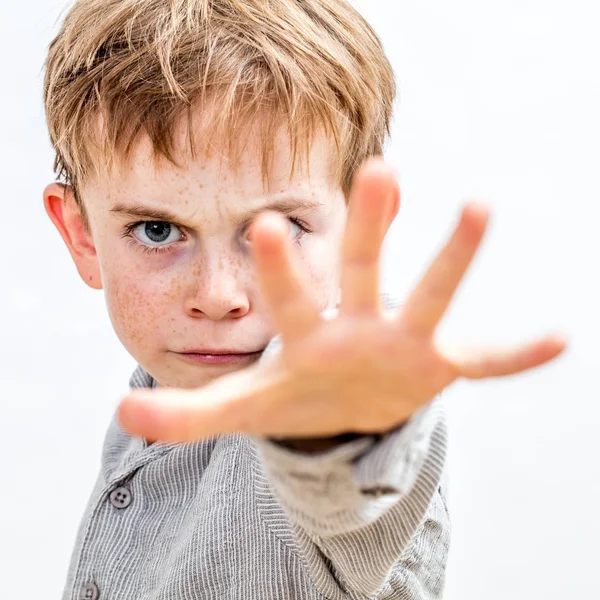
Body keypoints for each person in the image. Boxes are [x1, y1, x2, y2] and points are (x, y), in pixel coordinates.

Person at [42, 1, 567, 598]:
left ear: (360, 223)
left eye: (279, 228)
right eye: (156, 230)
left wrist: (339, 432)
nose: (218, 296)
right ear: (81, 236)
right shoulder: (154, 395)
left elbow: (354, 487)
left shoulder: (337, 389)